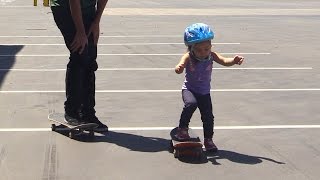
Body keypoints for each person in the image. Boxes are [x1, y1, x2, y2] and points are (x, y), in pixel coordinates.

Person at [174, 23, 244, 151]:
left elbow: (224, 61)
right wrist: (179, 68)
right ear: (191, 49)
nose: (203, 52)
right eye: (199, 50)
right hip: (189, 89)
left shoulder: (212, 55)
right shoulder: (188, 57)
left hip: (204, 92)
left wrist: (233, 61)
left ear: (210, 46)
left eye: (206, 49)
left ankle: (208, 140)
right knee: (191, 104)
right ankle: (182, 129)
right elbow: (181, 63)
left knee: (208, 116)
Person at [50, 0, 109, 132]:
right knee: (80, 54)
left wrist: (96, 22)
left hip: (87, 10)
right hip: (65, 9)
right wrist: (81, 32)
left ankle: (88, 113)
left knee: (90, 59)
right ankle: (71, 111)